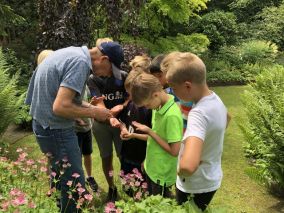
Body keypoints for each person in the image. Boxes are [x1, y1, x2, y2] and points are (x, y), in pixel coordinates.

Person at [25, 45, 112, 212]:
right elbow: (60, 107)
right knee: (74, 182)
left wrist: (90, 109)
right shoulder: (80, 62)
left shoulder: (71, 52)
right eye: (110, 70)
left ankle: (60, 207)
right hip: (56, 129)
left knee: (60, 176)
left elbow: (62, 98)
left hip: (43, 125)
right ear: (104, 59)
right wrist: (94, 113)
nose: (106, 75)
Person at [162, 52, 229, 211]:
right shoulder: (215, 98)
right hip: (210, 177)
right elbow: (228, 118)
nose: (173, 93)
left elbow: (189, 166)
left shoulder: (198, 114)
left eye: (173, 88)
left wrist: (179, 169)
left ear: (187, 86)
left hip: (195, 184)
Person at [130, 73, 183, 198]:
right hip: (153, 168)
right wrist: (147, 161)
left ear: (155, 95)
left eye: (147, 105)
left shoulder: (171, 116)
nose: (147, 108)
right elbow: (156, 139)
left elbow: (175, 151)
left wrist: (150, 131)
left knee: (159, 206)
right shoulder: (158, 106)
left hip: (162, 174)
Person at [87, 40, 128, 202]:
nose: (112, 71)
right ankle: (112, 187)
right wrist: (111, 116)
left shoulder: (123, 76)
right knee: (106, 157)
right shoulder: (94, 79)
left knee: (123, 156)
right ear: (104, 60)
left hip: (121, 125)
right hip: (102, 125)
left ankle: (129, 185)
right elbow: (99, 103)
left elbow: (130, 97)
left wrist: (122, 106)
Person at [150, 53, 194, 133]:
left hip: (182, 133)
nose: (157, 79)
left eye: (160, 76)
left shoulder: (178, 91)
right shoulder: (162, 91)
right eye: (154, 76)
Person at [74, 87, 98, 192]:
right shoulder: (71, 88)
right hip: (75, 130)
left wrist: (92, 103)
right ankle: (80, 181)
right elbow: (66, 107)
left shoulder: (86, 87)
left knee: (87, 154)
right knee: (77, 158)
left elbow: (86, 103)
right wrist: (77, 119)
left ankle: (89, 177)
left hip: (87, 127)